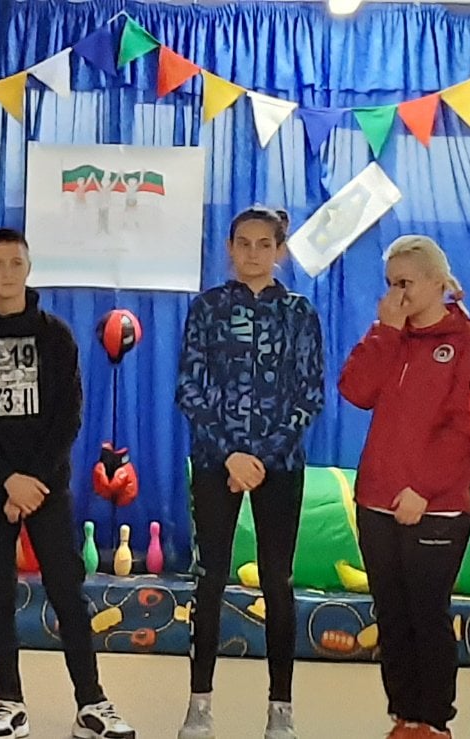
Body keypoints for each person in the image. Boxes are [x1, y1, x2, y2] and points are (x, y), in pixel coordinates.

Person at [0, 228, 136, 739]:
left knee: (67, 592)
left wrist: (31, 481)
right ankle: (8, 702)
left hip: (47, 487)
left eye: (17, 263)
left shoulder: (56, 337)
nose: (8, 273)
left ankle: (92, 703)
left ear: (29, 268)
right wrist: (8, 481)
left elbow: (67, 417)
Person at [177, 207, 325, 739]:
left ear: (280, 250)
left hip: (278, 467)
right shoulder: (207, 308)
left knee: (277, 580)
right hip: (217, 462)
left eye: (265, 244)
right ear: (230, 247)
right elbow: (189, 389)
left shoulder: (299, 312)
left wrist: (263, 456)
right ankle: (199, 703)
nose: (254, 253)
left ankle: (280, 706)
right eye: (244, 243)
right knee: (210, 577)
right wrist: (231, 456)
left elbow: (310, 394)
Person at [338, 236, 470, 739]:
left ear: (438, 283)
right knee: (392, 614)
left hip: (437, 506)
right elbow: (355, 390)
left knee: (427, 614)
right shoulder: (390, 334)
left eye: (405, 283)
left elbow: (468, 425)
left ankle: (434, 721)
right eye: (390, 284)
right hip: (376, 500)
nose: (396, 294)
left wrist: (424, 488)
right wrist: (384, 331)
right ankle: (404, 716)